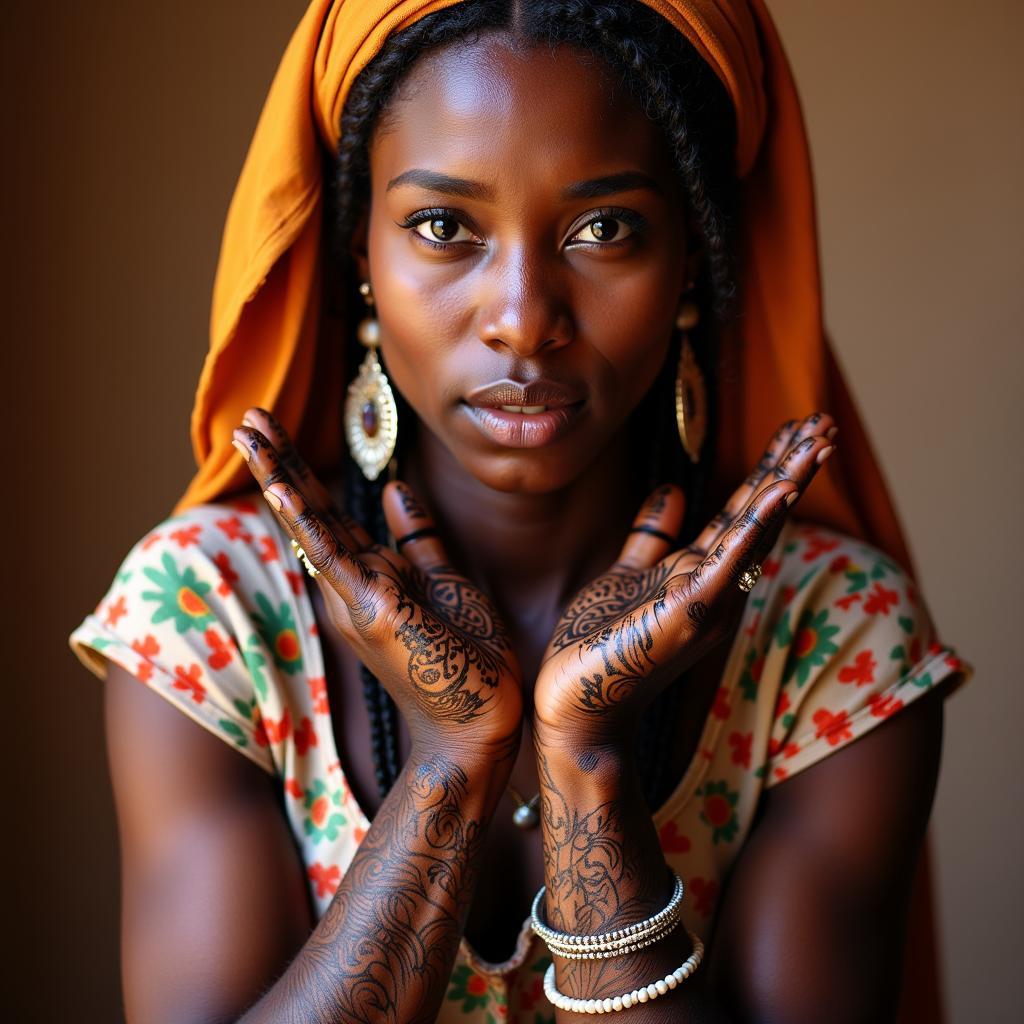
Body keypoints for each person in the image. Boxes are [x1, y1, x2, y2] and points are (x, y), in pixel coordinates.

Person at [70, 1, 967, 1021]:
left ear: (690, 261)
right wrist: (450, 764)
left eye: (604, 228)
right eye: (444, 227)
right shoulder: (211, 612)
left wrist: (587, 764)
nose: (522, 320)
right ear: (360, 252)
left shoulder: (826, 632)